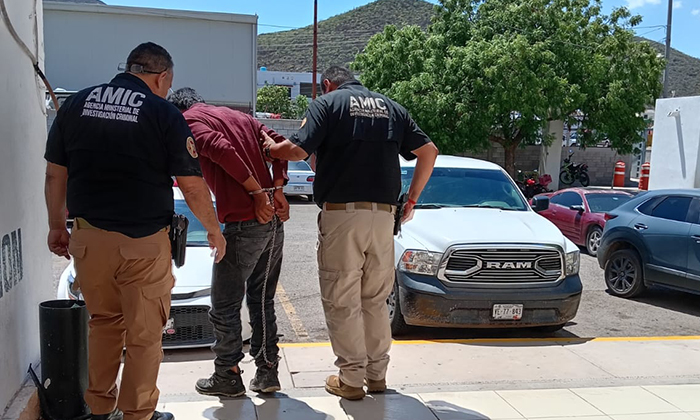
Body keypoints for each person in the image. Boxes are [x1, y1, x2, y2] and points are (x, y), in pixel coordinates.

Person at [44, 43, 226, 420]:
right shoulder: (162, 112)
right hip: (143, 245)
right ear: (162, 77)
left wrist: (55, 226)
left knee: (104, 325)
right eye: (167, 83)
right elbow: (191, 185)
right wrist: (213, 229)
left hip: (89, 239)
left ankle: (98, 409)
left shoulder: (76, 105)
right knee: (144, 336)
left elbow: (54, 173)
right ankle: (138, 415)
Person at [261, 66, 438, 400]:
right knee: (374, 299)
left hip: (343, 216)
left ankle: (352, 380)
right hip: (385, 217)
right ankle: (377, 375)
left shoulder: (326, 105)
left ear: (327, 84)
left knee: (342, 298)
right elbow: (428, 152)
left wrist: (270, 149)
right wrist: (411, 200)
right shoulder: (392, 108)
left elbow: (297, 151)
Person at [168, 88, 289, 397]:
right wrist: (276, 189)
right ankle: (267, 373)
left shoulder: (190, 122)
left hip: (244, 222)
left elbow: (220, 148)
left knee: (224, 304)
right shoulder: (242, 118)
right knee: (262, 300)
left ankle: (227, 374)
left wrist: (255, 192)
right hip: (272, 222)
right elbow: (279, 147)